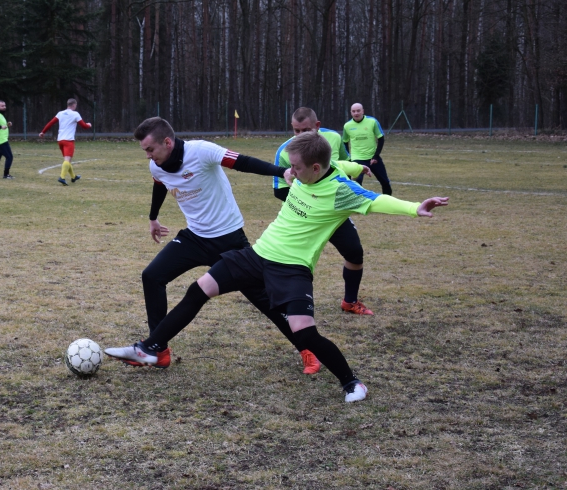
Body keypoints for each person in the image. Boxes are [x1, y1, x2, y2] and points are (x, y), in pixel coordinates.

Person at [106, 131, 449, 403]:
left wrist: (414, 206)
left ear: (315, 168)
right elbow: (336, 164)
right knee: (200, 289)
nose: (290, 174)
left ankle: (351, 381)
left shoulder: (340, 191)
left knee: (305, 332)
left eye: (295, 168)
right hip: (256, 255)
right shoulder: (307, 174)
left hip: (292, 269)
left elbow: (376, 201)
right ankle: (150, 348)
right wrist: (339, 166)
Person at [125, 116, 322, 375]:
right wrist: (153, 218)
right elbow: (160, 184)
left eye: (150, 149)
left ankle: (308, 349)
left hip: (229, 238)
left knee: (264, 298)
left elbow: (243, 162)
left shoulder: (202, 151)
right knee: (152, 276)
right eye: (145, 152)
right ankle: (157, 349)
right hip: (194, 238)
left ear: (167, 142)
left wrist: (280, 171)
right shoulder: (157, 166)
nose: (148, 156)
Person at [275, 107, 376, 316]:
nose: (301, 136)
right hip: (305, 215)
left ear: (317, 126)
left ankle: (350, 301)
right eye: (296, 131)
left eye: (306, 130)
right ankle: (285, 305)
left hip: (332, 212)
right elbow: (280, 190)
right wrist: (310, 201)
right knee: (293, 261)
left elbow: (341, 164)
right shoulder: (285, 151)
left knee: (354, 252)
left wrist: (355, 170)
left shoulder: (334, 139)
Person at [39, 98, 93, 185]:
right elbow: (84, 126)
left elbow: (50, 123)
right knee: (67, 160)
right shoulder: (75, 114)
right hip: (69, 141)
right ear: (74, 105)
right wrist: (89, 125)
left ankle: (73, 177)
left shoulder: (60, 113)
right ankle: (62, 177)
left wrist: (43, 132)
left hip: (60, 140)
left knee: (67, 160)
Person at [342, 103, 391, 195]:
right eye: (353, 111)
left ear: (363, 111)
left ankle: (388, 204)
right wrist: (349, 158)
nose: (356, 113)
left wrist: (376, 156)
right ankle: (359, 204)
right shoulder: (347, 126)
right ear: (351, 113)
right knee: (357, 182)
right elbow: (344, 142)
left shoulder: (372, 122)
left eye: (358, 110)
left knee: (385, 182)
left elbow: (381, 138)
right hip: (357, 158)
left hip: (373, 158)